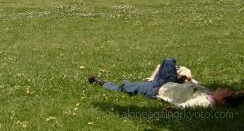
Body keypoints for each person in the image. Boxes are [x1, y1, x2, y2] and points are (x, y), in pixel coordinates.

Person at [89, 58, 244, 109]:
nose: (224, 88)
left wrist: (173, 109)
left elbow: (187, 105)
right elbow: (194, 85)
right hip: (169, 82)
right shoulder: (209, 93)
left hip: (157, 89)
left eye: (226, 91)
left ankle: (102, 84)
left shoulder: (205, 102)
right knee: (169, 61)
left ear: (222, 100)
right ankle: (153, 78)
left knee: (125, 86)